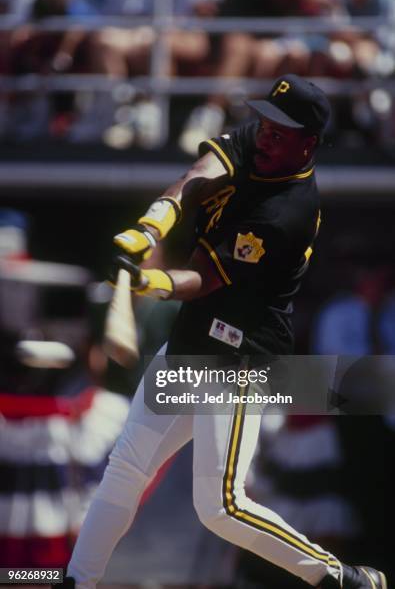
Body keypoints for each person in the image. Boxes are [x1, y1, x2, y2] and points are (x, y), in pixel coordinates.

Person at [63, 75, 387, 589]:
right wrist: (151, 226)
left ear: (307, 143)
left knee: (220, 506)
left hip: (238, 359)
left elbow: (203, 280)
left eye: (280, 132)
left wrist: (145, 280)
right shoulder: (260, 139)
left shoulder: (287, 212)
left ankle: (341, 577)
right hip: (192, 343)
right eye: (264, 122)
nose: (264, 134)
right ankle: (77, 580)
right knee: (125, 467)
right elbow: (199, 175)